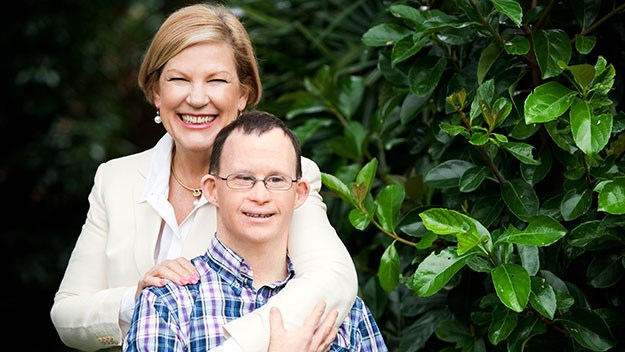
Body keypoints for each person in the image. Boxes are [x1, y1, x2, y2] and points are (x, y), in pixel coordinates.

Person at [50, 3, 357, 352]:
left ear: (242, 94)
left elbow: (333, 279)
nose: (197, 99)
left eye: (216, 80)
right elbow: (67, 313)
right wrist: (137, 301)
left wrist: (241, 347)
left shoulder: (281, 180)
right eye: (179, 79)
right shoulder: (114, 178)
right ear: (156, 92)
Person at [123, 111, 387, 352]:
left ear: (299, 194)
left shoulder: (343, 313)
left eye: (276, 180)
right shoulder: (168, 302)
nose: (260, 195)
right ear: (212, 190)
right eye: (243, 179)